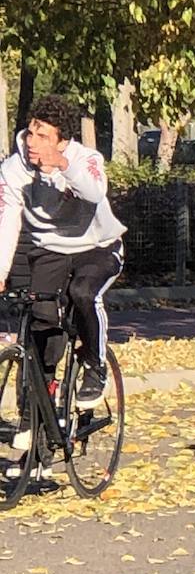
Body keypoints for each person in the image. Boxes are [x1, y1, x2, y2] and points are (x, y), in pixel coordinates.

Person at [0, 94, 125, 415]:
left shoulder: (85, 159)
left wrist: (63, 166)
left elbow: (95, 192)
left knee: (82, 292)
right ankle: (40, 411)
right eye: (30, 132)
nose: (33, 141)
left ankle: (95, 366)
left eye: (43, 136)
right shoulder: (14, 169)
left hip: (97, 248)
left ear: (62, 141)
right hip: (52, 249)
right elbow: (8, 219)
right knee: (41, 320)